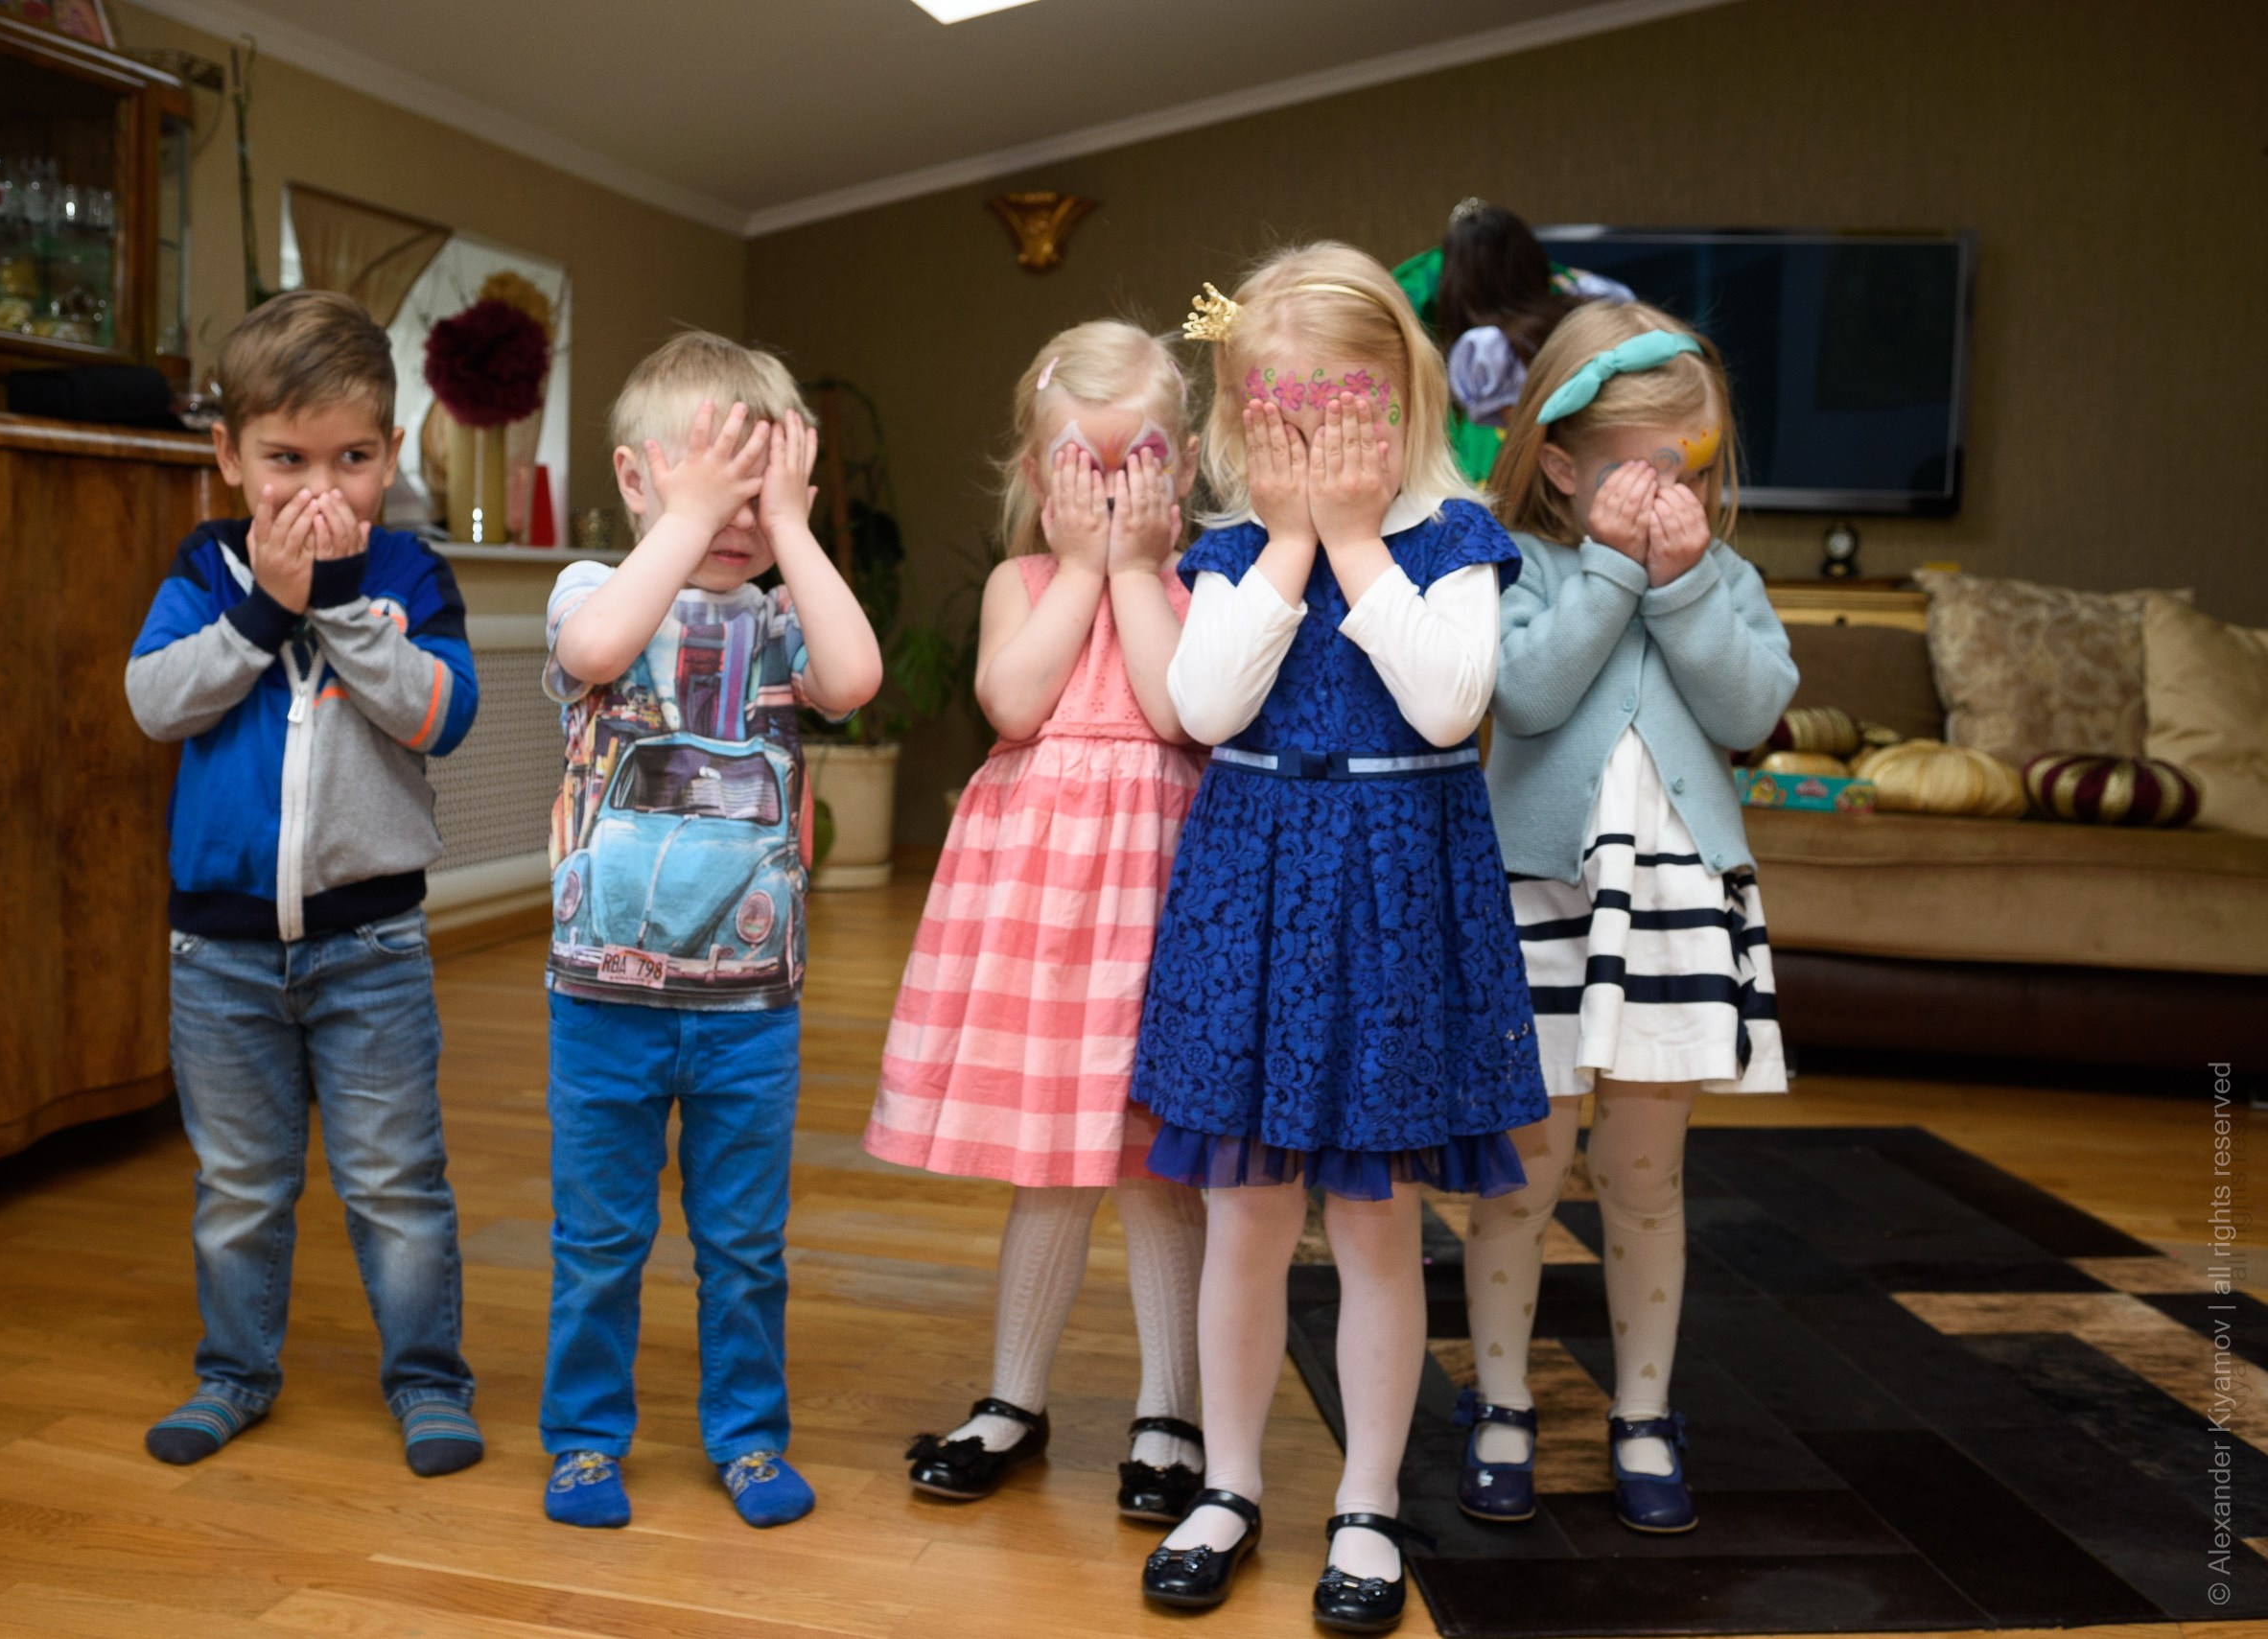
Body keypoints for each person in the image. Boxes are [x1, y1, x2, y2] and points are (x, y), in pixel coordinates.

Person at [1130, 245, 1547, 1633]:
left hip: (1392, 894)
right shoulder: (1237, 549)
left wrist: (1359, 538)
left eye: (1338, 413)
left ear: (1404, 394)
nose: (1309, 443)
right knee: (1245, 1213)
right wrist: (1295, 541)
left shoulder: (1459, 534)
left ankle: (1367, 1496)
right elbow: (1201, 705)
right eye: (1280, 416)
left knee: (1374, 1218)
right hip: (1253, 886)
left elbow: (1444, 707)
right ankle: (1231, 1482)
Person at [125, 290, 483, 1477]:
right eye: (285, 458)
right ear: (229, 456)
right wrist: (261, 609)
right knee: (239, 1184)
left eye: (353, 456)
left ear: (390, 454)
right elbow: (154, 701)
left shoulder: (408, 575)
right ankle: (234, 1371)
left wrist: (341, 613)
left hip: (368, 946)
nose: (318, 485)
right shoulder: (203, 569)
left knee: (395, 1182)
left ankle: (429, 1381)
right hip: (218, 954)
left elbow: (442, 714)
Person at [865, 321, 1210, 1522]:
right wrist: (1075, 568)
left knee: (1162, 1165)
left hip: (1160, 898)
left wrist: (1128, 569)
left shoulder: (1195, 585)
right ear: (1033, 472)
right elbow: (1012, 702)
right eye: (1082, 469)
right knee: (1051, 1163)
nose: (1109, 497)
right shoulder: (1023, 584)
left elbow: (1175, 714)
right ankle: (1014, 1395)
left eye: (1136, 467)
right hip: (1048, 908)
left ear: (1186, 466)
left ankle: (1173, 1407)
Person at [537, 332, 881, 1532]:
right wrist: (681, 522)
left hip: (748, 1008)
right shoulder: (594, 590)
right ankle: (584, 1439)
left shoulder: (785, 619)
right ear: (637, 480)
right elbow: (593, 653)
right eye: (706, 483)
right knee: (600, 1239)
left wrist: (790, 527)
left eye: (756, 484)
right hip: (601, 996)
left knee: (743, 1244)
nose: (729, 514)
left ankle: (745, 1435)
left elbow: (853, 678)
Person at [1463, 301, 1796, 1535]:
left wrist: (1684, 580)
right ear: (1559, 464)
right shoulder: (1511, 567)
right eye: (1638, 465)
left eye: (1689, 464)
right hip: (1537, 905)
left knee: (1644, 1177)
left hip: (1671, 913)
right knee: (1522, 1177)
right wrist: (1611, 569)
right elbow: (1530, 696)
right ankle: (1499, 1401)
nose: (1667, 489)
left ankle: (1644, 1410)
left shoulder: (1726, 577)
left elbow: (1749, 707)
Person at [1392, 198, 1633, 484]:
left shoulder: (1484, 350)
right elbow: (1620, 299)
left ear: (1455, 277)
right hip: (1601, 461)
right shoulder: (1584, 312)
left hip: (1514, 483)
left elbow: (1518, 439)